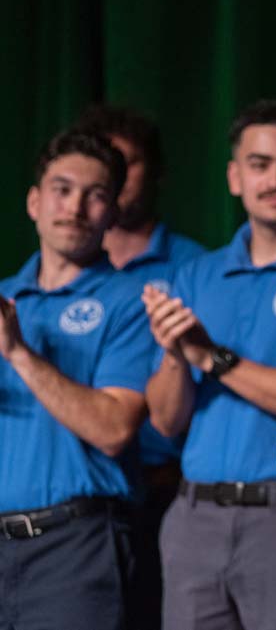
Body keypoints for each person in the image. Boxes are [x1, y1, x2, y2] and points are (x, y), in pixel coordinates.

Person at [143, 101, 276, 630]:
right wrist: (177, 356)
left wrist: (212, 358)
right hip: (194, 520)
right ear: (234, 177)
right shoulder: (198, 274)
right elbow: (166, 421)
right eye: (260, 164)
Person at [0, 129, 155, 630]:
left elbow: (114, 429)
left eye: (96, 195)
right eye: (62, 190)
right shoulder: (6, 295)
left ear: (112, 213)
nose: (75, 207)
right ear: (33, 201)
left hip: (74, 548)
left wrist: (19, 353)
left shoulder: (131, 302)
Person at [75, 104, 205, 630]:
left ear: (154, 174)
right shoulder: (58, 273)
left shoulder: (193, 267)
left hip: (163, 492)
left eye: (123, 164)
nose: (109, 178)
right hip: (82, 499)